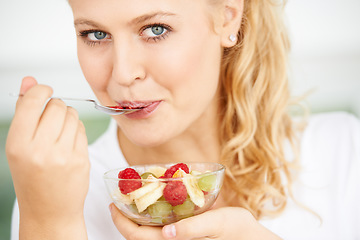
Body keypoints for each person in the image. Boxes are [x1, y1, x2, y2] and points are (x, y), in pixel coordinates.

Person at [6, 0, 360, 239]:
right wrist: (49, 224)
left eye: (156, 29)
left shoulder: (344, 152)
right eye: (95, 35)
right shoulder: (52, 196)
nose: (123, 74)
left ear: (227, 17)